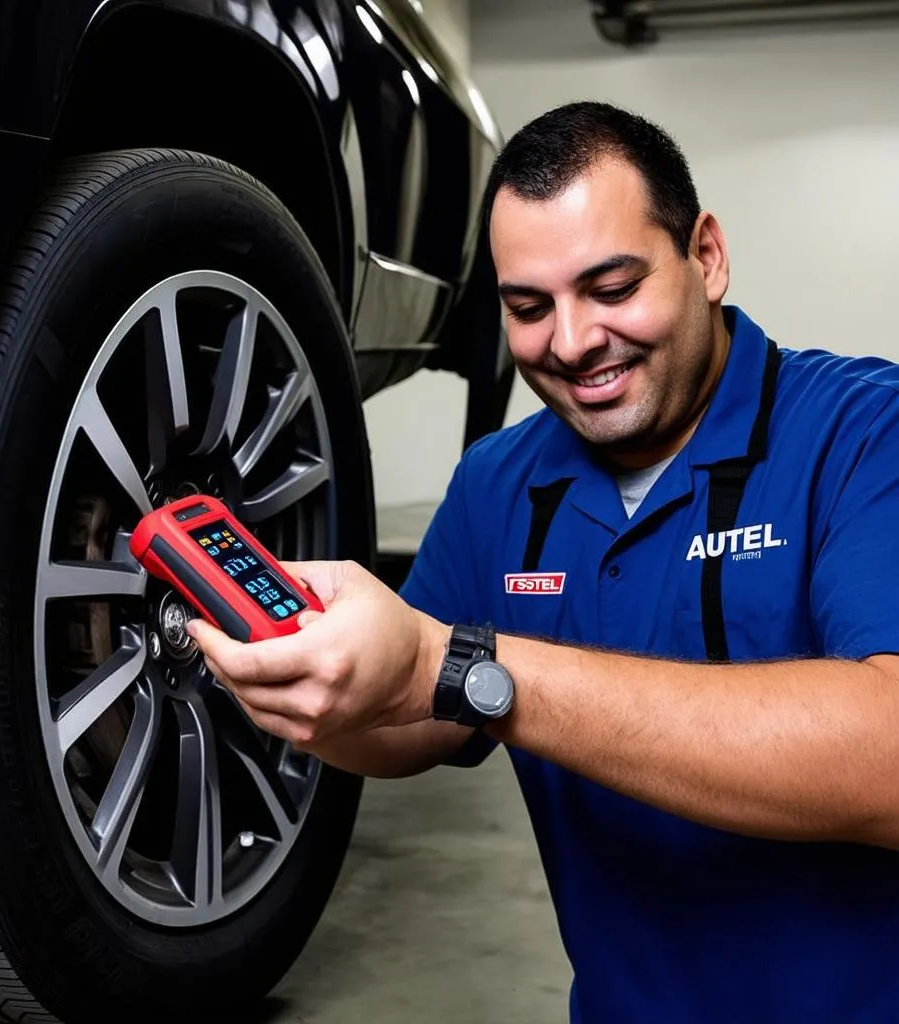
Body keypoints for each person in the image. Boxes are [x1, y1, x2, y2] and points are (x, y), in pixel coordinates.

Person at [187, 101, 899, 1022]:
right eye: (529, 307)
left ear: (707, 257)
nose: (571, 344)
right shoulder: (498, 484)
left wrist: (466, 668)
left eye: (611, 288)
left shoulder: (863, 430)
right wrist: (318, 683)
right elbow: (417, 721)